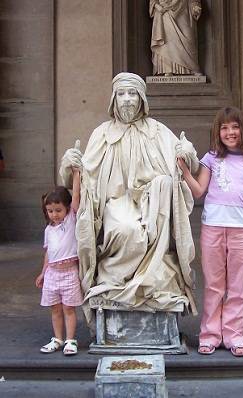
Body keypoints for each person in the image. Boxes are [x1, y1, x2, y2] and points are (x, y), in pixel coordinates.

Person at [59, 72, 199, 331]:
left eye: (132, 93)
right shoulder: (102, 133)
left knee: (155, 209)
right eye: (121, 94)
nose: (126, 100)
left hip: (152, 202)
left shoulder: (158, 131)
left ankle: (151, 281)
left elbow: (183, 164)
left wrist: (186, 154)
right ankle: (118, 281)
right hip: (117, 201)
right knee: (127, 230)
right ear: (114, 99)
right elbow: (84, 175)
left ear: (142, 99)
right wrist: (70, 163)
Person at [177, 106, 243, 357]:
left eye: (235, 126)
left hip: (241, 230)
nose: (230, 132)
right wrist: (185, 171)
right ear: (218, 132)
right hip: (213, 229)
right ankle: (210, 335)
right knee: (215, 285)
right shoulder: (211, 158)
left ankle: (234, 335)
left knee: (237, 287)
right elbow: (198, 191)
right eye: (224, 127)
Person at [35, 165, 83, 355]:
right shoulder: (49, 230)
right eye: (50, 211)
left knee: (68, 308)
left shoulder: (71, 221)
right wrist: (43, 272)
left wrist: (76, 175)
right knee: (55, 309)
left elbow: (77, 198)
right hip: (53, 273)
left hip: (69, 272)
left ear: (66, 209)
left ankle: (70, 340)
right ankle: (57, 338)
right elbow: (48, 252)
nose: (54, 214)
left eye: (58, 210)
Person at [150, 0, 202, 76]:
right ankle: (168, 68)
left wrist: (195, 6)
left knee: (188, 38)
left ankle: (191, 68)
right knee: (168, 41)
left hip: (184, 9)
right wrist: (157, 6)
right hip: (165, 11)